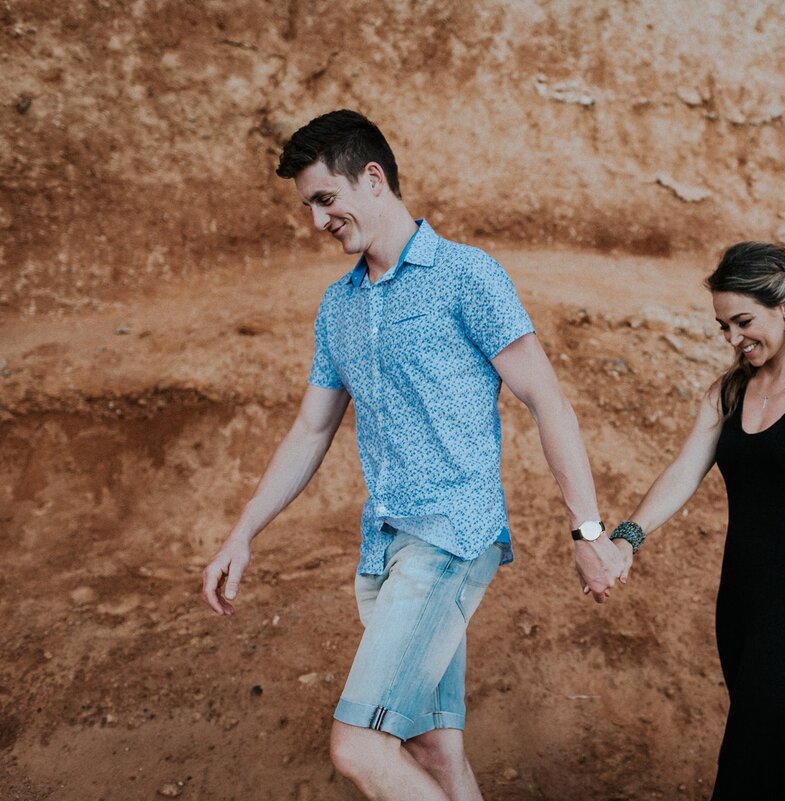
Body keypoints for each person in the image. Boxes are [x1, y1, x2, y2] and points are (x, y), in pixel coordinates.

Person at [200, 109, 625, 801]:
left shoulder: (465, 276)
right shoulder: (338, 308)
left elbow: (548, 400)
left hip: (450, 540)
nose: (316, 221)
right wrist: (242, 532)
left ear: (373, 179)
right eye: (308, 206)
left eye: (325, 199)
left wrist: (587, 530)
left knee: (360, 744)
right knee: (432, 751)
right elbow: (311, 430)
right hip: (385, 550)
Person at [608, 242, 785, 800]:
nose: (734, 339)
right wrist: (627, 538)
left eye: (743, 322)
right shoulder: (729, 392)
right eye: (723, 327)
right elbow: (682, 474)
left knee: (753, 766)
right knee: (782, 769)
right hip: (741, 602)